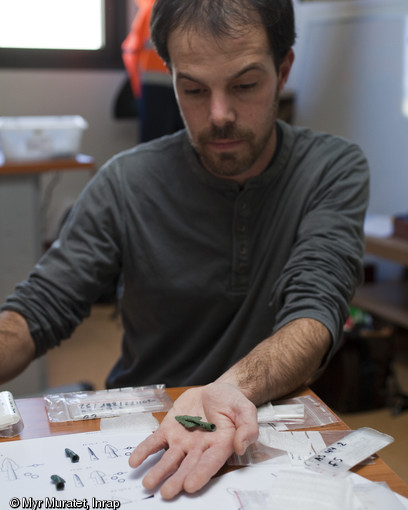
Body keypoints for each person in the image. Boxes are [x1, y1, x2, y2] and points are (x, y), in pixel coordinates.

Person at [0, 0, 369, 500]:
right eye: (193, 90)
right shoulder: (126, 182)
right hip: (140, 438)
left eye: (244, 85)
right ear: (170, 78)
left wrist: (229, 390)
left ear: (283, 69)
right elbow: (39, 309)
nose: (219, 115)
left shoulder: (332, 169)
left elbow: (315, 309)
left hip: (270, 431)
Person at [122, 0, 183, 141]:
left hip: (155, 83)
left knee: (155, 141)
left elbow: (132, 52)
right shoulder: (192, 10)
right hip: (181, 81)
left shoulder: (151, 10)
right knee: (184, 142)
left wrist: (138, 90)